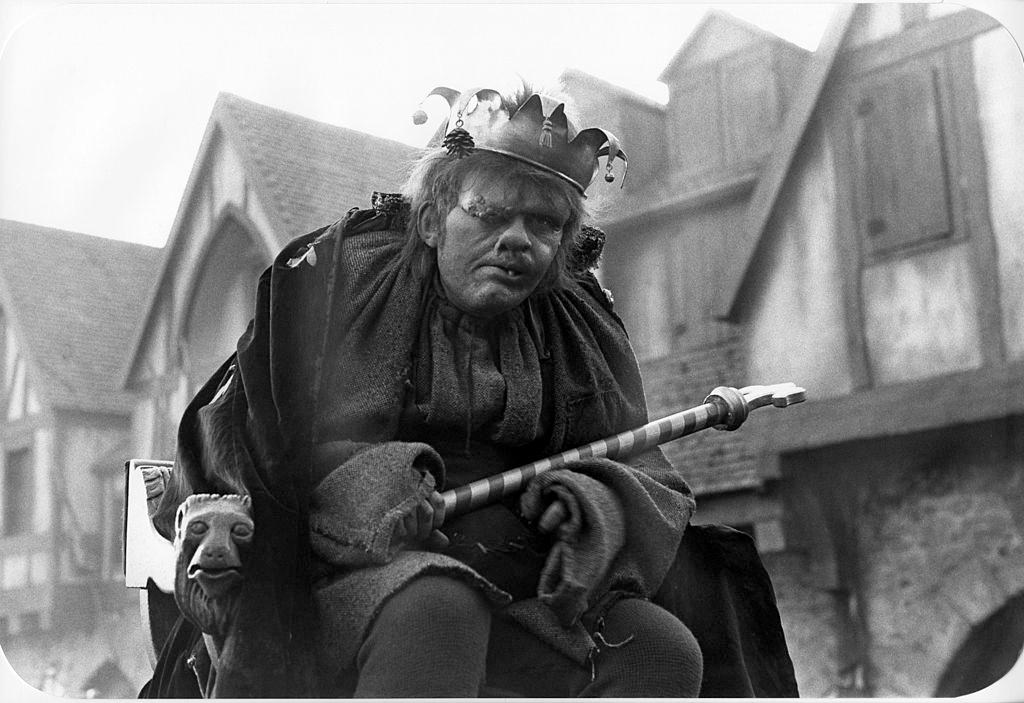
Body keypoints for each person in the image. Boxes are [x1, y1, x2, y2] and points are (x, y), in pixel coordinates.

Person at [144, 83, 793, 699]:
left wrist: (595, 499)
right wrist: (370, 485)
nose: (518, 239)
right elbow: (244, 446)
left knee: (661, 648)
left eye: (544, 223)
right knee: (438, 605)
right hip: (340, 575)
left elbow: (643, 467)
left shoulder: (580, 322)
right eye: (490, 212)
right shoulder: (336, 284)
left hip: (529, 577)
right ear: (431, 220)